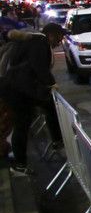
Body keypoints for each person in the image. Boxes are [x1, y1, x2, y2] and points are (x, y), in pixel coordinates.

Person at [1, 23, 65, 176]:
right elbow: (39, 67)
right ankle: (20, 165)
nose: (59, 43)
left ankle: (57, 141)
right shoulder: (40, 42)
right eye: (59, 38)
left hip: (16, 87)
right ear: (51, 35)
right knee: (22, 124)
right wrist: (51, 84)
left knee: (45, 108)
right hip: (18, 89)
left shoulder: (32, 39)